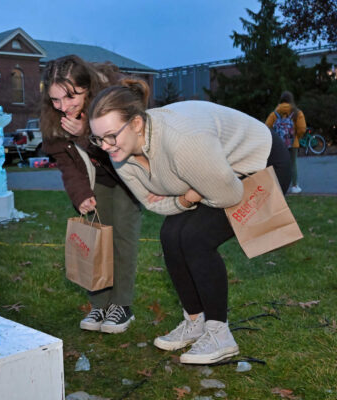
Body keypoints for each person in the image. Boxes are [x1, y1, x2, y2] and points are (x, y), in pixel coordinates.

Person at [88, 79, 291, 364]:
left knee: (195, 237)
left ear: (135, 124)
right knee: (171, 235)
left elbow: (230, 194)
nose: (105, 146)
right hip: (214, 175)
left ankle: (220, 335)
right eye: (97, 139)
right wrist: (186, 200)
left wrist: (196, 194)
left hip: (260, 162)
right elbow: (150, 201)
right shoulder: (121, 155)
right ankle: (195, 321)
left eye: (111, 136)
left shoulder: (182, 141)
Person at [40, 55, 142, 334]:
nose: (63, 107)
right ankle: (100, 304)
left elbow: (118, 149)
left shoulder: (112, 100)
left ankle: (122, 305)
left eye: (71, 97)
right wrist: (80, 194)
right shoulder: (54, 119)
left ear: (87, 87)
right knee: (95, 238)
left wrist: (85, 132)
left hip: (126, 175)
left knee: (122, 237)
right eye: (56, 100)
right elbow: (65, 163)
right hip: (96, 180)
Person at [265, 91, 306, 194]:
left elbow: (266, 127)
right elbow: (302, 128)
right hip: (292, 143)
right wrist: (296, 137)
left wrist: (274, 139)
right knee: (293, 164)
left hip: (278, 145)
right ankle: (295, 186)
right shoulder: (297, 113)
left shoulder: (275, 113)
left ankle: (277, 186)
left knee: (277, 164)